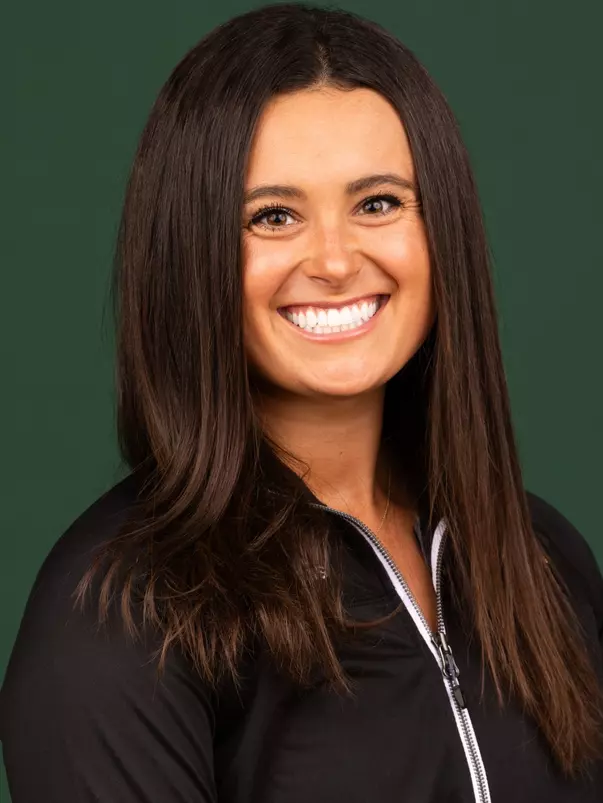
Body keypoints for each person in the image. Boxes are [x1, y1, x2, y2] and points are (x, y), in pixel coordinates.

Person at [1, 3, 602, 801]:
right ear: (193, 254)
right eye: (272, 216)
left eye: (378, 202)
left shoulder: (541, 555)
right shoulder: (121, 617)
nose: (332, 259)